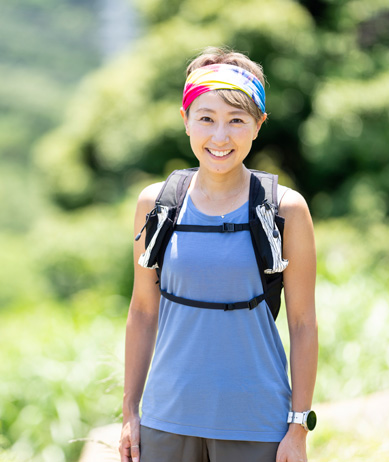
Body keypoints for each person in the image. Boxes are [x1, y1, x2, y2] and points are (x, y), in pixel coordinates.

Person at [118, 47, 318, 462]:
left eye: (237, 120)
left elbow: (302, 324)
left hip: (256, 423)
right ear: (185, 120)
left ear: (258, 125)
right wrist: (129, 413)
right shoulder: (156, 203)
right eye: (206, 118)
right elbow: (141, 312)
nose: (220, 137)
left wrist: (297, 427)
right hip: (165, 422)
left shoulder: (286, 209)